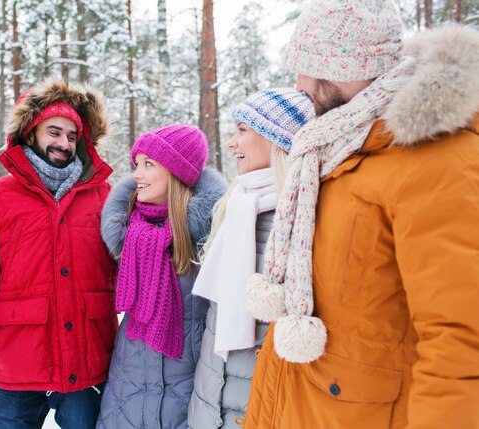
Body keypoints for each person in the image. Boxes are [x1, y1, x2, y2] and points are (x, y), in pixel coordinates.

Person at [243, 1, 479, 428]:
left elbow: (462, 343)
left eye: (305, 67)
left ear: (341, 67)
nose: (298, 84)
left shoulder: (440, 162)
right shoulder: (335, 147)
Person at [0, 79, 118, 429]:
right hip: (20, 366)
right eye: (54, 131)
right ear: (30, 131)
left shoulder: (104, 197)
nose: (64, 142)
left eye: (71, 136)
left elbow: (135, 272)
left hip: (89, 366)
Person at [187, 89, 314, 429]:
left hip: (259, 412)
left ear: (277, 140)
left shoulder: (302, 224)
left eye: (242, 130)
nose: (231, 143)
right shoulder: (237, 206)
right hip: (211, 404)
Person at [95, 124, 227, 429]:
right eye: (136, 164)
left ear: (177, 172)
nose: (136, 175)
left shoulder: (211, 240)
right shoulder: (126, 233)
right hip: (124, 399)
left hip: (187, 400)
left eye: (148, 165)